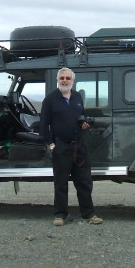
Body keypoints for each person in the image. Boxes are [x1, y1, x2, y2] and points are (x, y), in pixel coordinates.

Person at [40, 67, 103, 226]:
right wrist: (51, 144)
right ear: (57, 80)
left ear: (72, 81)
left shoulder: (77, 97)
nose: (65, 81)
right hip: (61, 147)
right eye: (62, 78)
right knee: (61, 183)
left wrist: (84, 124)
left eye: (68, 78)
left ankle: (89, 215)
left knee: (84, 182)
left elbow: (79, 118)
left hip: (80, 146)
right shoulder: (50, 99)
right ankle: (60, 215)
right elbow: (43, 124)